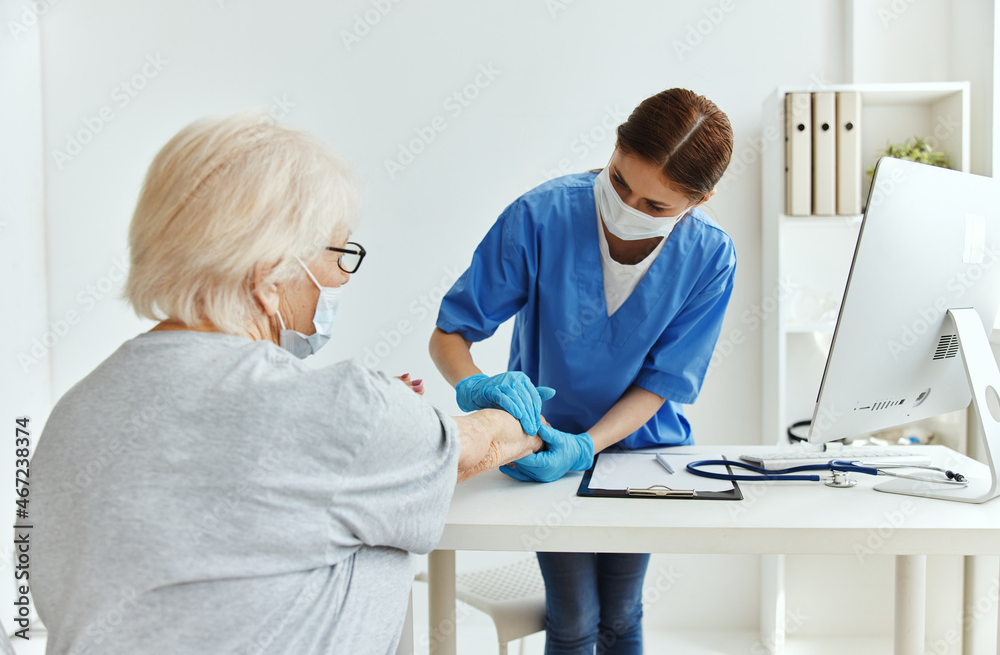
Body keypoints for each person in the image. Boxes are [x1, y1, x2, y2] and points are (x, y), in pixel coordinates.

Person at [30, 113, 548, 655]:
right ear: (269, 271)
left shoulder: (73, 412)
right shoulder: (340, 409)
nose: (344, 276)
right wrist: (520, 417)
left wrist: (377, 428)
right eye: (340, 252)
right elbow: (477, 447)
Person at [429, 88, 736, 654]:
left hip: (638, 451)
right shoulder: (540, 216)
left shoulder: (710, 256)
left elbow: (663, 383)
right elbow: (451, 334)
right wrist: (473, 384)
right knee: (573, 620)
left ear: (701, 199)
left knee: (621, 616)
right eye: (620, 182)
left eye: (656, 206)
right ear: (616, 145)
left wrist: (588, 445)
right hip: (543, 446)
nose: (627, 206)